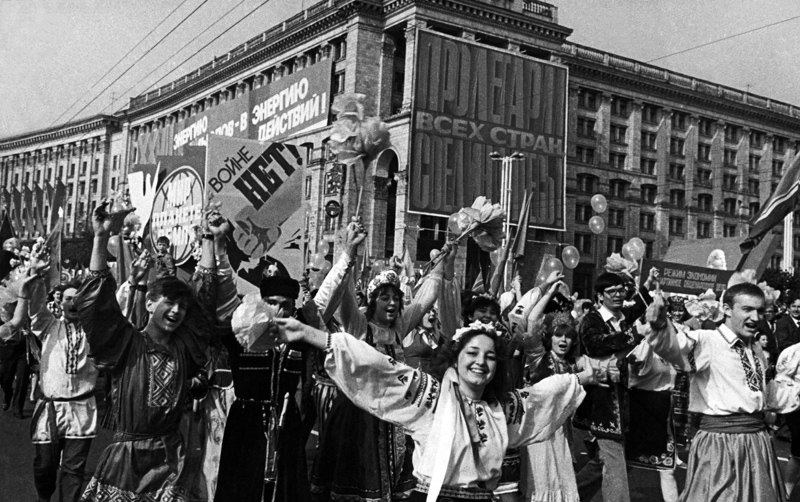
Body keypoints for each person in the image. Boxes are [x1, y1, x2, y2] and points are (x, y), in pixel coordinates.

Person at [273, 317, 591, 501]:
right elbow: (377, 366)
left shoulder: (500, 410)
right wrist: (306, 333)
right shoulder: (432, 398)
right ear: (455, 358)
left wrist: (589, 374)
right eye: (473, 352)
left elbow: (542, 395)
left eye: (490, 356)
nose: (481, 361)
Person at [77, 201, 214, 501]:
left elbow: (203, 299)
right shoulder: (127, 343)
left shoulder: (184, 347)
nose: (176, 310)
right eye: (168, 302)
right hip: (127, 460)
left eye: (182, 306)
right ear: (150, 303)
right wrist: (100, 237)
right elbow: (99, 307)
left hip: (171, 460)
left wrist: (209, 240)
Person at [310, 222, 456, 501]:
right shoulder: (358, 326)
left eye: (395, 298)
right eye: (384, 298)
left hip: (393, 418)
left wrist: (441, 265)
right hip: (357, 419)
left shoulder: (399, 327)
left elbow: (426, 297)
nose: (391, 304)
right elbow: (344, 297)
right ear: (372, 300)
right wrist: (350, 251)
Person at [646, 282, 800, 501]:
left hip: (757, 442)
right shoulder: (708, 340)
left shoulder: (754, 348)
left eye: (760, 311)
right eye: (747, 309)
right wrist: (661, 327)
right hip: (721, 443)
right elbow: (672, 349)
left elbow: (765, 395)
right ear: (727, 309)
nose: (755, 318)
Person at [212, 219, 312, 502]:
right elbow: (225, 292)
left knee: (286, 491)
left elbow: (328, 297)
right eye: (273, 302)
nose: (279, 310)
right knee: (244, 489)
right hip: (247, 425)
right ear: (261, 303)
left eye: (286, 305)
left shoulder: (300, 336)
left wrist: (348, 256)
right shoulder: (242, 335)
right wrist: (219, 247)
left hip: (287, 424)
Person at [22, 245, 98, 502]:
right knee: (44, 466)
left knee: (74, 471)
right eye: (67, 298)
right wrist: (38, 276)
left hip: (82, 409)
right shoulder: (48, 325)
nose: (73, 302)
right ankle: (44, 497)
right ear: (59, 302)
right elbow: (35, 307)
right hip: (51, 409)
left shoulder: (94, 331)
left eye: (78, 298)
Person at [573, 272, 644, 502]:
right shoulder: (592, 320)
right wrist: (633, 335)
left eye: (621, 290)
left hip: (626, 400)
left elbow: (642, 309)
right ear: (600, 296)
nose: (617, 295)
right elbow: (595, 345)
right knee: (614, 461)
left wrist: (648, 287)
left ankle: (569, 496)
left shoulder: (623, 317)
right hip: (601, 401)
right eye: (611, 291)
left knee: (605, 461)